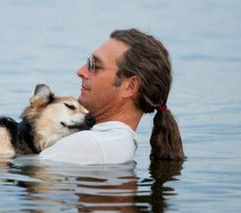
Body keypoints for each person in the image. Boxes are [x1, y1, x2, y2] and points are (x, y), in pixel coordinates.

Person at [40, 28, 185, 164]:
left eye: (95, 66)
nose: (81, 71)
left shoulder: (91, 144)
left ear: (130, 86)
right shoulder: (116, 142)